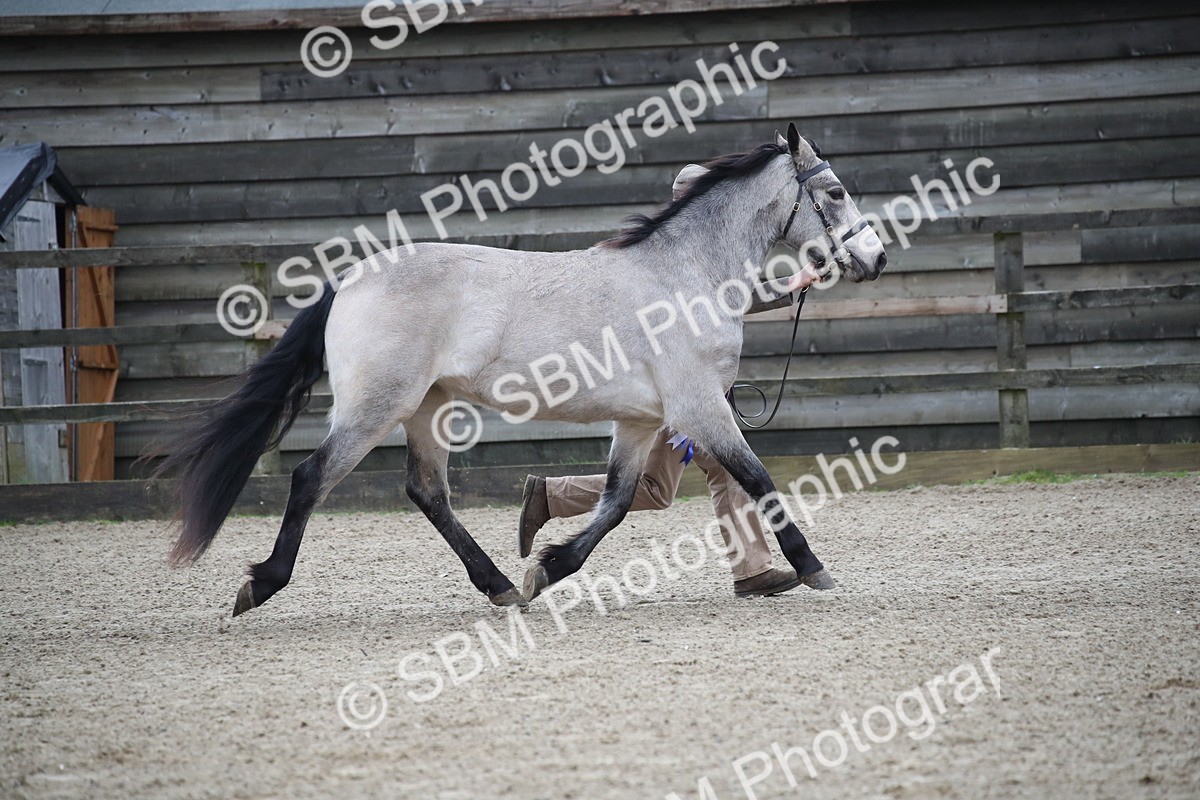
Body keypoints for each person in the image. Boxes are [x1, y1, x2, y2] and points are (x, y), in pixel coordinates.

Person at [517, 164, 833, 598]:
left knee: (663, 486)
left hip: (685, 392)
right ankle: (754, 569)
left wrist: (793, 282)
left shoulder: (704, 256)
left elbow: (734, 299)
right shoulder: (670, 261)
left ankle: (550, 498)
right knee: (696, 477)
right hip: (673, 395)